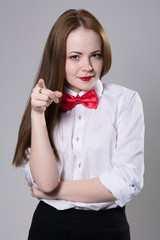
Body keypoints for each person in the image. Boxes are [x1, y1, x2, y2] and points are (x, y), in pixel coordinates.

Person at [12, 9, 144, 240]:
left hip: (108, 228)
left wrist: (55, 193)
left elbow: (126, 182)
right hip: (49, 225)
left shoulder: (126, 101)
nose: (88, 67)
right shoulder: (42, 104)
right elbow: (45, 182)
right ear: (57, 58)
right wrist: (37, 114)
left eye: (95, 55)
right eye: (75, 56)